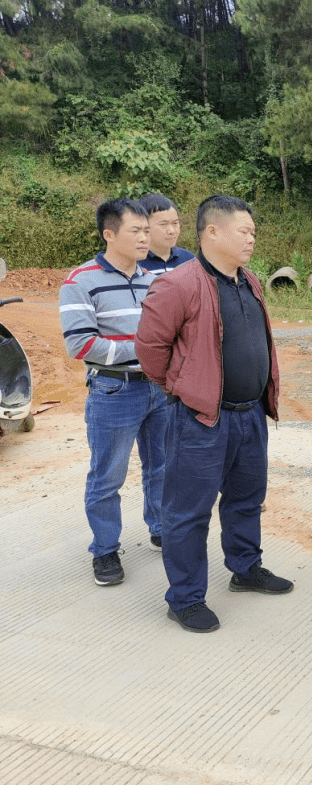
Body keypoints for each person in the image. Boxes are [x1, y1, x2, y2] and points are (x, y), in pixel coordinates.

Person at [136, 195, 293, 633]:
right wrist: (185, 387)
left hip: (250, 416)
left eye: (253, 233)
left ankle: (246, 569)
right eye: (244, 231)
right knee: (188, 512)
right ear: (212, 232)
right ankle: (184, 599)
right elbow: (150, 351)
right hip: (202, 420)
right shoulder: (178, 285)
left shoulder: (250, 280)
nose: (251, 238)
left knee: (246, 500)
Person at [60, 198, 167, 585]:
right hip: (113, 390)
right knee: (108, 476)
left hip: (160, 390)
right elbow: (81, 346)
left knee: (162, 467)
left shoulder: (154, 280)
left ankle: (160, 529)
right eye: (135, 230)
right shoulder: (81, 281)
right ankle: (105, 551)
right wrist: (145, 350)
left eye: (146, 230)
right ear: (109, 234)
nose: (145, 237)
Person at [138, 193, 194, 275]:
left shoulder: (189, 261)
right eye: (163, 224)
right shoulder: (135, 263)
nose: (171, 231)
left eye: (175, 223)